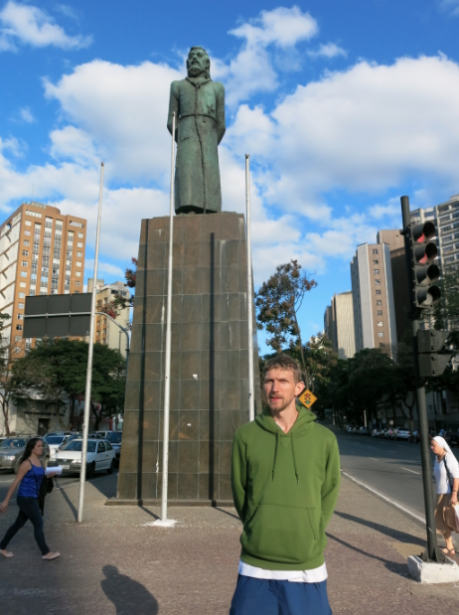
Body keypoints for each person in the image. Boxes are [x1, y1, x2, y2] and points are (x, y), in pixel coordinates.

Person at [230, 354, 341, 615]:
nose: (275, 388)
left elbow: (329, 493)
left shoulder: (325, 439)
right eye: (269, 381)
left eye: (283, 381)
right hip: (255, 566)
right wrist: (259, 524)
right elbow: (240, 493)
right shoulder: (245, 436)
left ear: (299, 388)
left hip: (307, 568)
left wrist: (311, 530)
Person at [167, 46, 226, 214]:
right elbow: (171, 121)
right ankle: (187, 208)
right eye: (191, 56)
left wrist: (211, 142)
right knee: (186, 173)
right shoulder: (177, 86)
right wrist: (184, 139)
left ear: (207, 63)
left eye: (199, 56)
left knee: (209, 174)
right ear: (186, 62)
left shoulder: (217, 88)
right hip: (186, 135)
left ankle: (211, 210)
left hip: (209, 139)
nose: (194, 58)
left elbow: (221, 124)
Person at [0, 437, 59, 560]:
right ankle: (46, 552)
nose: (41, 448)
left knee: (18, 524)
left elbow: (39, 478)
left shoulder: (39, 462)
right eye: (38, 446)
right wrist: (6, 501)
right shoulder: (26, 463)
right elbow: (16, 482)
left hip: (34, 497)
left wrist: (48, 476)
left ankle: (2, 546)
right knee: (38, 522)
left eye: (41, 445)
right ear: (32, 449)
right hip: (25, 498)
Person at [431, 435, 459, 556]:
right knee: (441, 522)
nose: (431, 447)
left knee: (453, 521)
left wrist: (454, 494)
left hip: (449, 494)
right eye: (431, 445)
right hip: (439, 494)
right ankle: (450, 547)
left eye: (434, 445)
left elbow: (456, 477)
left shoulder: (449, 458)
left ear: (441, 445)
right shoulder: (437, 459)